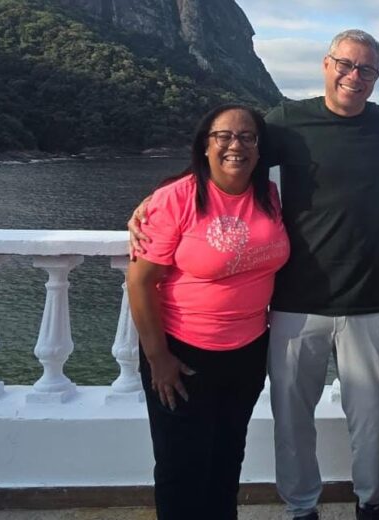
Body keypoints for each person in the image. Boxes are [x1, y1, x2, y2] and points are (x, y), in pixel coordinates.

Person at [131, 29, 379, 520]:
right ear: (327, 65)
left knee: (373, 416)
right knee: (291, 418)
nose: (354, 76)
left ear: (377, 77)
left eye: (366, 69)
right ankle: (302, 509)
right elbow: (229, 155)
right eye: (346, 64)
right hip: (295, 300)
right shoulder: (288, 121)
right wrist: (159, 196)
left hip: (369, 295)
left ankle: (371, 504)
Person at [127, 104, 290, 520]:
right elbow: (140, 282)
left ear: (259, 148)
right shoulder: (176, 198)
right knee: (182, 468)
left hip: (248, 352)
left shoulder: (268, 196)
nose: (236, 145)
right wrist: (159, 358)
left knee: (226, 460)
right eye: (224, 136)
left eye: (248, 137)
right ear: (205, 144)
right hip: (183, 355)